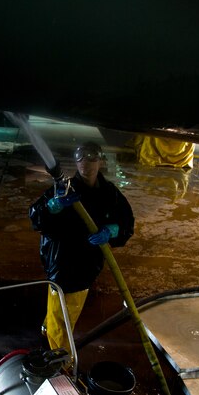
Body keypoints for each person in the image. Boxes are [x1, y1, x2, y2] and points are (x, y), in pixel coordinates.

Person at [29, 141, 135, 355]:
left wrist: (111, 230)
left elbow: (126, 222)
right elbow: (36, 216)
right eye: (81, 159)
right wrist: (53, 206)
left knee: (63, 311)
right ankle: (61, 362)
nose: (86, 164)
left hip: (86, 265)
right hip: (61, 264)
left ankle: (47, 331)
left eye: (91, 159)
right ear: (76, 162)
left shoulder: (109, 194)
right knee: (63, 316)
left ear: (101, 161)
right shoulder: (64, 189)